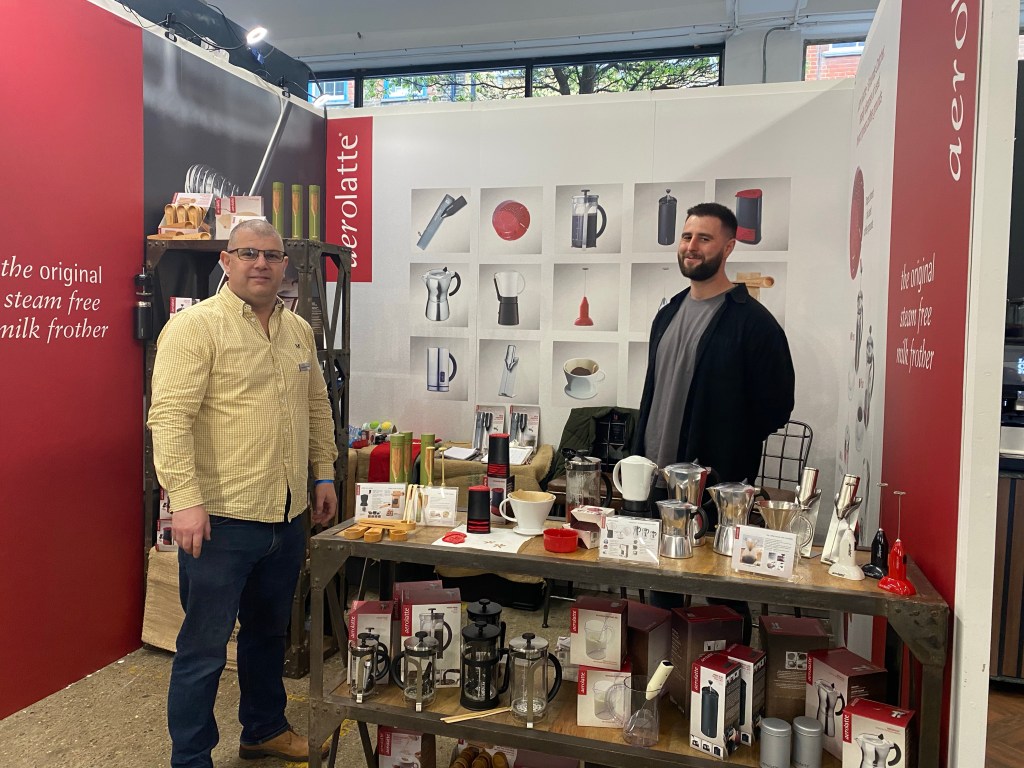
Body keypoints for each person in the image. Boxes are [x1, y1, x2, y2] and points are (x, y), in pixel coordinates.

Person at [148, 219, 338, 767]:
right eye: (249, 253)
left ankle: (263, 730)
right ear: (226, 261)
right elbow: (170, 419)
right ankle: (191, 758)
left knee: (267, 635)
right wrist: (185, 500)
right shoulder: (194, 328)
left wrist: (323, 472)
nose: (261, 264)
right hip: (220, 519)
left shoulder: (297, 330)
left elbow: (315, 406)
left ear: (285, 266)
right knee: (204, 649)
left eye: (272, 255)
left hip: (285, 515)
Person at [634, 202, 795, 641]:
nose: (692, 246)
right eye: (687, 237)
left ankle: (734, 671)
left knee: (724, 589)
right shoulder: (667, 314)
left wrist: (729, 445)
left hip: (719, 488)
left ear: (728, 247)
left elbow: (777, 405)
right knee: (662, 589)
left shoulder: (753, 323)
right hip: (658, 479)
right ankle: (665, 669)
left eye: (704, 238)